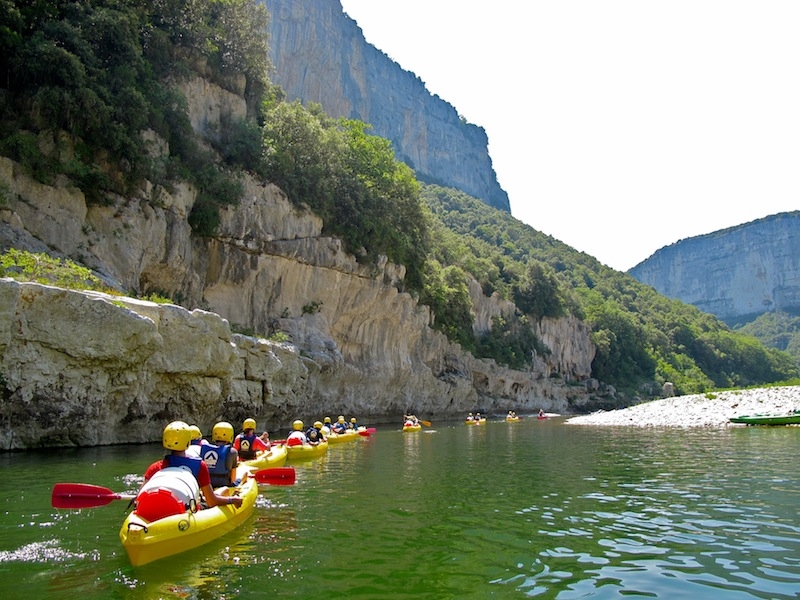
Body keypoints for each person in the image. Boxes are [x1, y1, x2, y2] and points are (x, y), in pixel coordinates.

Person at [141, 421, 243, 510]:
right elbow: (212, 501)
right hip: (190, 509)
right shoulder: (200, 465)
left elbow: (140, 496)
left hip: (163, 505)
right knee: (224, 490)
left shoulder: (154, 467)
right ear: (188, 441)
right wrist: (232, 500)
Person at [199, 421, 240, 487]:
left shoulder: (204, 449)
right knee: (244, 476)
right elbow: (233, 479)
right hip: (224, 485)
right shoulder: (232, 452)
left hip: (207, 486)